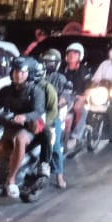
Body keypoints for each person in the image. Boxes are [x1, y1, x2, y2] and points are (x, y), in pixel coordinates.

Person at [0, 55, 46, 198]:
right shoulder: (5, 90)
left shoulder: (36, 92)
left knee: (20, 139)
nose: (18, 75)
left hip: (27, 128)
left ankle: (11, 180)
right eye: (16, 71)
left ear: (29, 74)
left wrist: (25, 117)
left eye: (22, 72)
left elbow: (38, 111)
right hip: (6, 126)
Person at [40, 49, 72, 188]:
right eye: (46, 62)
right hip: (36, 113)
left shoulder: (61, 79)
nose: (48, 64)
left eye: (51, 62)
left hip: (52, 115)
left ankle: (59, 175)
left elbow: (65, 97)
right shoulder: (37, 76)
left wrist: (54, 104)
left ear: (57, 63)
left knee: (55, 146)